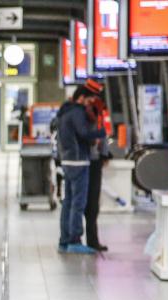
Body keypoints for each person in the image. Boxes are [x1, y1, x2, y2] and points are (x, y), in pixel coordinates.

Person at [56, 85, 106, 255]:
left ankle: (64, 240)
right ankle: (74, 240)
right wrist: (102, 133)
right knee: (78, 202)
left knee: (68, 202)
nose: (91, 102)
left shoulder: (64, 112)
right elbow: (84, 133)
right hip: (78, 161)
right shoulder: (77, 112)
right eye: (90, 99)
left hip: (67, 160)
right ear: (82, 97)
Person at [83, 82, 110, 252]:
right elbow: (97, 134)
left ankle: (92, 239)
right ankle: (87, 240)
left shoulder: (97, 112)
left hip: (94, 160)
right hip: (88, 161)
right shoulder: (85, 113)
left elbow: (103, 133)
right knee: (88, 203)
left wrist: (105, 153)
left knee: (92, 203)